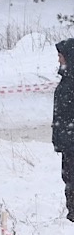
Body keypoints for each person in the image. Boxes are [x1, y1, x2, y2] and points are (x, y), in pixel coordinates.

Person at [52, 39, 74, 221]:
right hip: (68, 144)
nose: (59, 60)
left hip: (72, 143)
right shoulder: (67, 79)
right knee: (68, 180)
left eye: (61, 56)